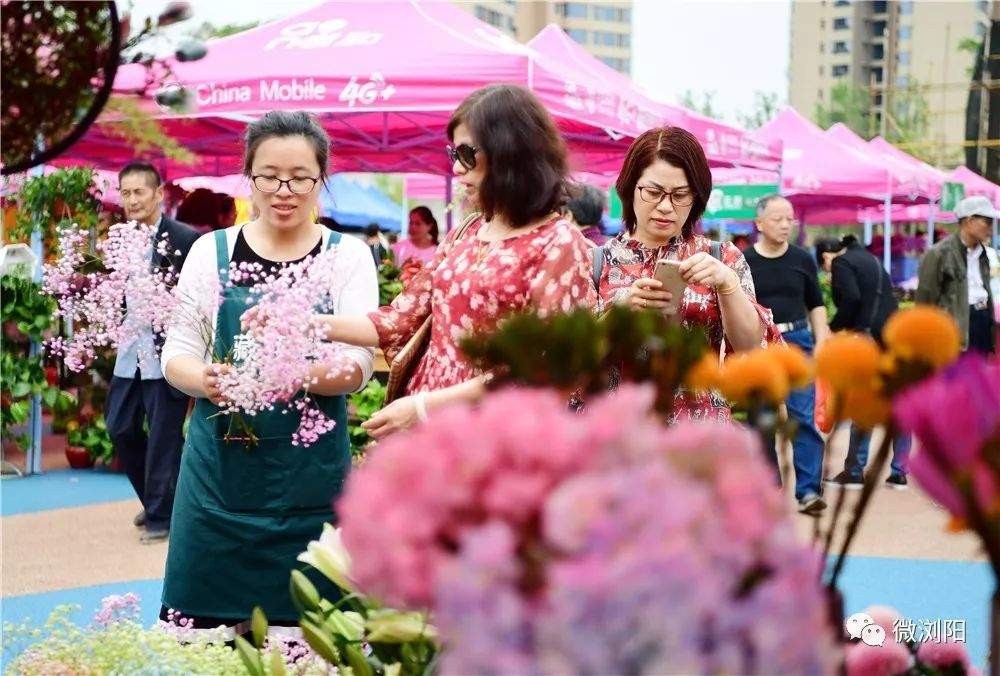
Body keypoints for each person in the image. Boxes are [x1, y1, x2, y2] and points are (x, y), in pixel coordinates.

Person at [159, 111, 378, 632]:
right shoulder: (208, 252)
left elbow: (357, 368)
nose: (285, 190)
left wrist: (292, 374)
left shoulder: (347, 257)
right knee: (207, 644)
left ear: (320, 180)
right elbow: (177, 355)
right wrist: (205, 379)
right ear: (249, 178)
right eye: (270, 176)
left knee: (313, 642)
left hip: (310, 483)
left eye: (301, 177)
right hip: (217, 483)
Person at [310, 84, 595, 439]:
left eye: (466, 153)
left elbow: (546, 368)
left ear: (509, 151)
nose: (457, 168)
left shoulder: (559, 243)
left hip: (496, 439)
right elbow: (397, 320)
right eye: (454, 153)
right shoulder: (469, 231)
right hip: (431, 434)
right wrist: (307, 323)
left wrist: (426, 407)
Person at [596, 126, 782, 423]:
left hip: (699, 436)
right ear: (630, 187)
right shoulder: (597, 261)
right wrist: (619, 312)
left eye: (680, 195)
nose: (666, 207)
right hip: (618, 437)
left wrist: (728, 285)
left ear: (697, 196)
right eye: (653, 192)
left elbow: (750, 346)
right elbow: (571, 356)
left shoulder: (723, 257)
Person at [106, 162, 200, 544]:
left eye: (138, 192)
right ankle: (157, 499)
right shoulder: (116, 237)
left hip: (167, 353)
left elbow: (199, 298)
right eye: (125, 193)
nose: (131, 200)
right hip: (129, 351)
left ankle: (161, 517)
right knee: (120, 427)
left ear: (158, 194)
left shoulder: (185, 239)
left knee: (164, 436)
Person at [744, 195, 830, 515]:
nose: (785, 224)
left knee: (802, 416)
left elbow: (817, 304)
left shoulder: (802, 259)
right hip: (759, 344)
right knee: (762, 420)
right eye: (778, 219)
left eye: (789, 219)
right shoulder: (744, 260)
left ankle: (808, 492)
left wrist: (821, 341)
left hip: (798, 341)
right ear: (759, 224)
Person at [815, 235, 910, 490]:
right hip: (895, 338)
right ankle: (899, 472)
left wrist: (834, 327)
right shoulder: (871, 259)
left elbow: (852, 299)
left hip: (869, 341)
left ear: (826, 256)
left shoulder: (842, 262)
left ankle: (854, 471)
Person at [916, 195, 998, 354]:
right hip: (954, 329)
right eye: (987, 222)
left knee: (978, 376)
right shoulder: (938, 253)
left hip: (982, 322)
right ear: (969, 221)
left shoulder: (984, 255)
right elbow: (924, 301)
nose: (990, 228)